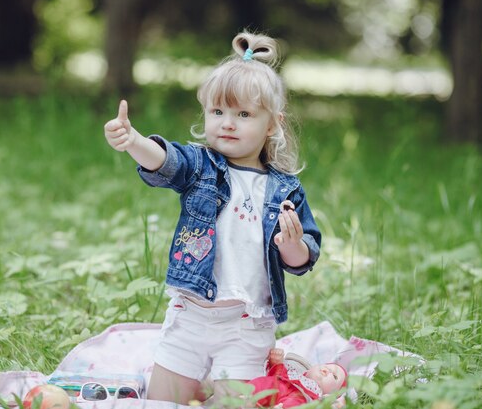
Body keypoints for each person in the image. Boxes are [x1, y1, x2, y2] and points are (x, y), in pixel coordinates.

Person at [103, 30, 322, 405]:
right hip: (191, 318)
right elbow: (166, 160)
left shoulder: (285, 190)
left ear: (272, 124)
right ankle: (195, 382)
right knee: (161, 402)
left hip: (246, 326)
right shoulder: (201, 165)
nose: (228, 123)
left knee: (234, 402)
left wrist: (292, 245)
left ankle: (217, 385)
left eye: (243, 114)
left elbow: (304, 259)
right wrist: (134, 141)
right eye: (217, 112)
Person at [247, 348, 347, 408]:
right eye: (326, 366)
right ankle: (245, 398)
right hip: (279, 384)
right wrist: (276, 362)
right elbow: (278, 373)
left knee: (296, 404)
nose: (326, 370)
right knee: (264, 383)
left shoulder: (321, 397)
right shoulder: (294, 370)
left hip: (299, 398)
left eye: (334, 376)